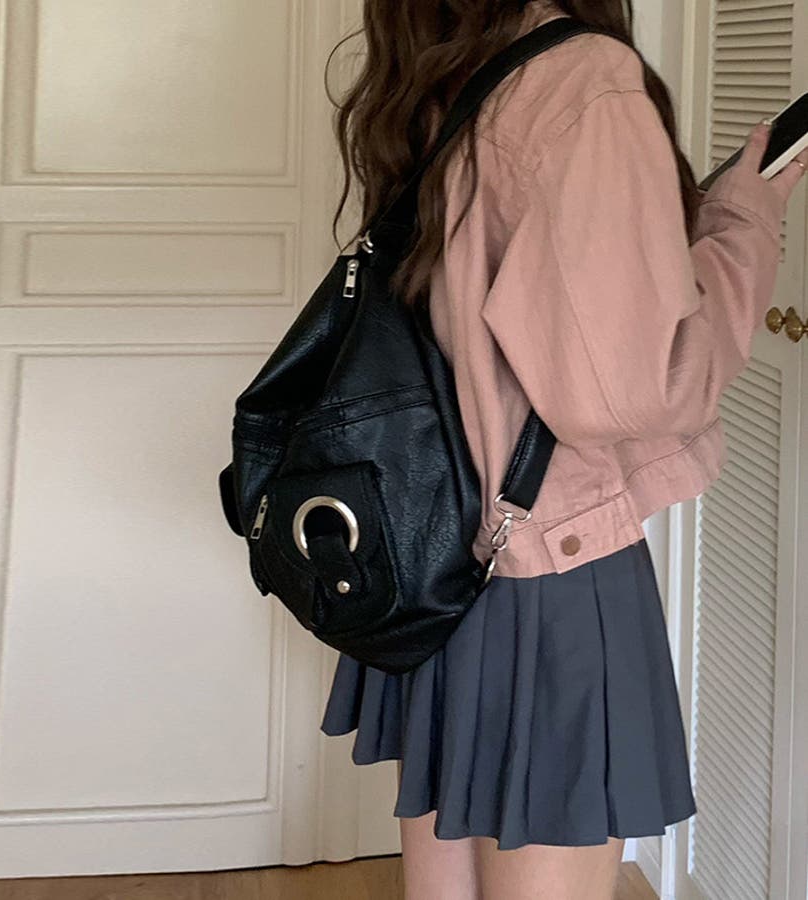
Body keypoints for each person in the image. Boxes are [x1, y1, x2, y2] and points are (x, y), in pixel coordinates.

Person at [319, 1, 808, 898]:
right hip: (550, 566)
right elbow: (631, 389)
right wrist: (745, 219)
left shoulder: (437, 67)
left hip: (434, 548)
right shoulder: (580, 79)